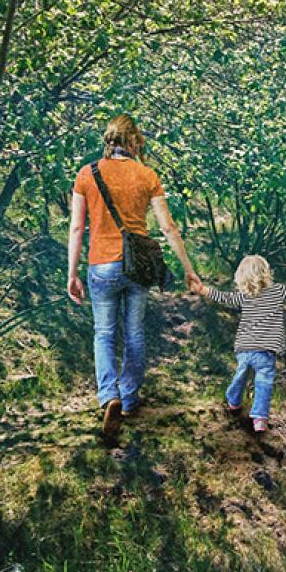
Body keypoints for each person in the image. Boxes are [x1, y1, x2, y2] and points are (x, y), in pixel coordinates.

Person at [67, 114, 202, 445]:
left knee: (104, 333)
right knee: (135, 333)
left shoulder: (87, 174)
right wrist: (188, 269)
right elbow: (168, 227)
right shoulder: (147, 175)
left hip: (101, 266)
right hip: (136, 266)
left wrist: (71, 273)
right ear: (133, 142)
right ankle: (127, 399)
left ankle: (108, 395)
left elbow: (76, 228)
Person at [194, 255, 286, 433]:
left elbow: (224, 297)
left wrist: (203, 290)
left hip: (245, 347)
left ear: (241, 276)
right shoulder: (277, 291)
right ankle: (260, 417)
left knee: (241, 375)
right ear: (265, 273)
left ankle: (233, 401)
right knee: (264, 382)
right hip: (265, 349)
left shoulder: (244, 296)